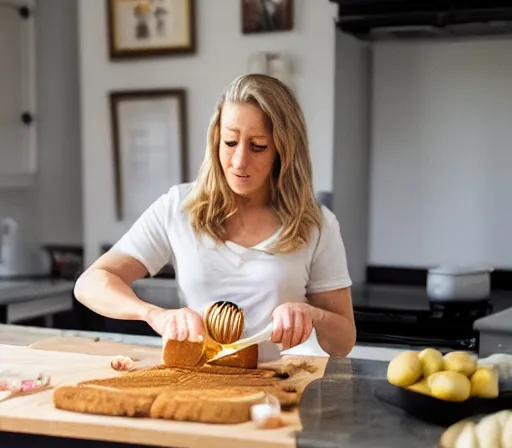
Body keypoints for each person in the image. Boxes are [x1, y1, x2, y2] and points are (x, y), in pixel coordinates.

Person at [74, 74, 356, 362]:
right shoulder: (178, 208)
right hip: (197, 381)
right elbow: (91, 283)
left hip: (280, 388)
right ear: (216, 139)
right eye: (230, 141)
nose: (239, 161)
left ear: (283, 151)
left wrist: (311, 315)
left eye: (257, 145)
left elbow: (344, 340)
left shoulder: (317, 225)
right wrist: (154, 315)